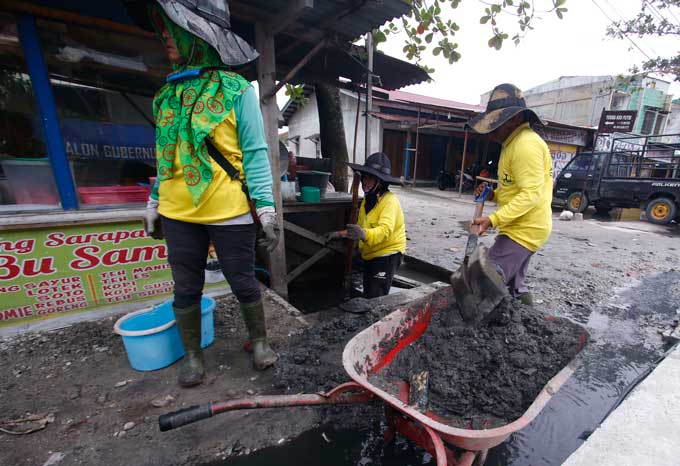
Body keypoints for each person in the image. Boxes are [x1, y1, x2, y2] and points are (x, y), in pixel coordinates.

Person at [141, 2, 278, 387]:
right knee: (185, 287)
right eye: (165, 30)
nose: (167, 37)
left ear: (198, 36)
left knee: (242, 280)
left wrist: (266, 208)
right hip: (177, 211)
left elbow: (254, 153)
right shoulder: (165, 97)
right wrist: (153, 203)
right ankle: (193, 357)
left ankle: (261, 342)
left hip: (229, 210)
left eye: (175, 30)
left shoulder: (237, 90)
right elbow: (167, 158)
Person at [466, 83, 553, 305]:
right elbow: (515, 189)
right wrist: (492, 195)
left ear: (515, 118)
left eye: (497, 123)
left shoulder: (525, 145)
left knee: (486, 277)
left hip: (524, 229)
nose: (492, 131)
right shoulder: (512, 143)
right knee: (516, 287)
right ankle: (527, 324)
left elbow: (531, 194)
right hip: (524, 226)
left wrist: (493, 219)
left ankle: (472, 326)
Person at [326, 153, 406, 298]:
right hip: (370, 251)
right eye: (365, 177)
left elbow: (384, 231)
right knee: (367, 287)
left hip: (387, 253)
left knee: (376, 295)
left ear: (380, 181)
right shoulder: (367, 201)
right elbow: (361, 227)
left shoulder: (390, 201)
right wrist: (340, 234)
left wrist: (363, 234)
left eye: (371, 178)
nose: (366, 182)